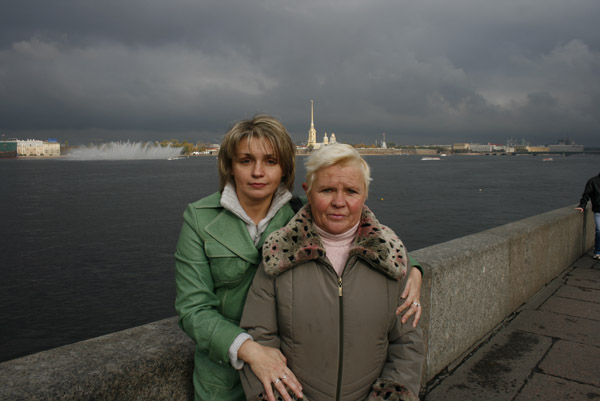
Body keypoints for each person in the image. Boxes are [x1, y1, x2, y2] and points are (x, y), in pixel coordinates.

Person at [175, 116, 424, 401]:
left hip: (288, 375)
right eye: (245, 160)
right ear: (229, 166)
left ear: (284, 168)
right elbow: (193, 308)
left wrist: (413, 268)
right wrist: (249, 349)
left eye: (270, 161)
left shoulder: (300, 211)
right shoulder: (200, 218)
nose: (258, 172)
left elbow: (362, 233)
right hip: (225, 378)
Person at [240, 143, 425, 401]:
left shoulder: (391, 257)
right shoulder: (279, 256)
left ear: (365, 195)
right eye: (327, 190)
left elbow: (407, 345)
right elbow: (259, 341)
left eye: (351, 191)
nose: (339, 202)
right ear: (308, 192)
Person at [575, 172, 600, 260]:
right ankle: (598, 252)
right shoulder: (593, 181)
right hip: (598, 210)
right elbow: (586, 195)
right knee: (599, 230)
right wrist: (582, 205)